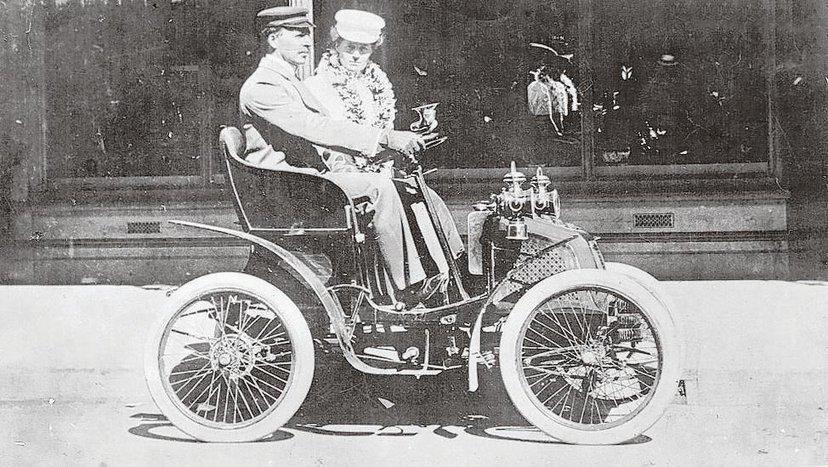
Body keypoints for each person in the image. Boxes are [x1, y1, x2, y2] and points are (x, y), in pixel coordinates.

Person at [238, 6, 453, 303]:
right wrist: (384, 137)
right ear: (273, 38)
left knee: (409, 188)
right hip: (288, 191)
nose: (306, 42)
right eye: (298, 34)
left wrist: (378, 153)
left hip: (305, 181)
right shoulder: (263, 85)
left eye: (308, 35)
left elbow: (319, 142)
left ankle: (451, 269)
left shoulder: (287, 80)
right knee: (378, 188)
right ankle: (408, 287)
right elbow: (314, 128)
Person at [302, 8, 464, 293]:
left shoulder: (375, 83)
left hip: (377, 169)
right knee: (404, 199)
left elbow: (379, 133)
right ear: (336, 45)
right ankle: (408, 284)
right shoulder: (318, 85)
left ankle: (451, 271)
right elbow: (325, 143)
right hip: (340, 176)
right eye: (349, 47)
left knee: (428, 199)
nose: (355, 56)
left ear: (372, 51)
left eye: (363, 50)